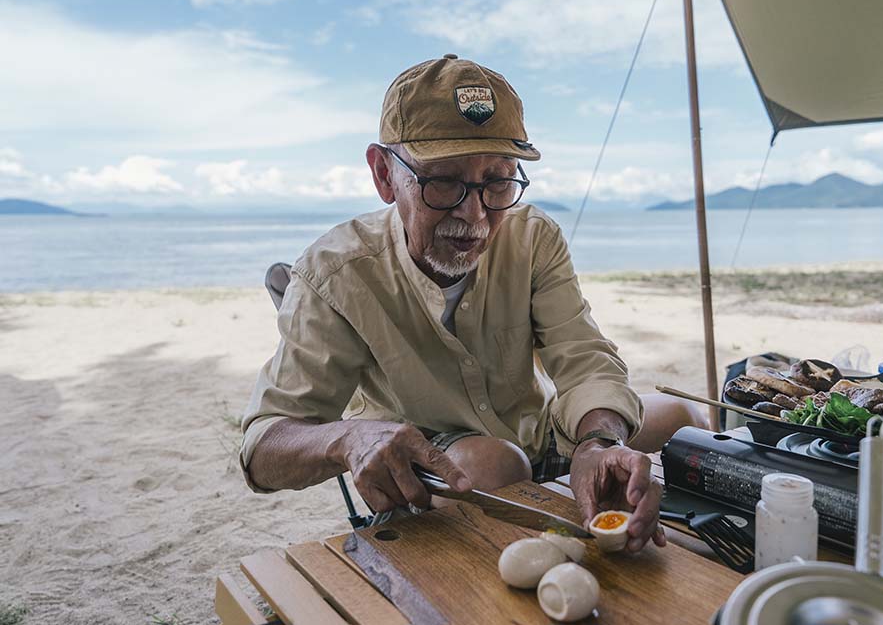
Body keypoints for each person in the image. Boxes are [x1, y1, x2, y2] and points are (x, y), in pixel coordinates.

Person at [240, 54, 707, 553]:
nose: (476, 216)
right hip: (437, 468)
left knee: (686, 420)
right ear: (383, 175)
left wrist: (599, 444)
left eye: (498, 181)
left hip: (542, 433)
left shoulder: (533, 237)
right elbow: (264, 447)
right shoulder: (336, 272)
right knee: (497, 464)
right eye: (443, 181)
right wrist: (350, 439)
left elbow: (583, 359)